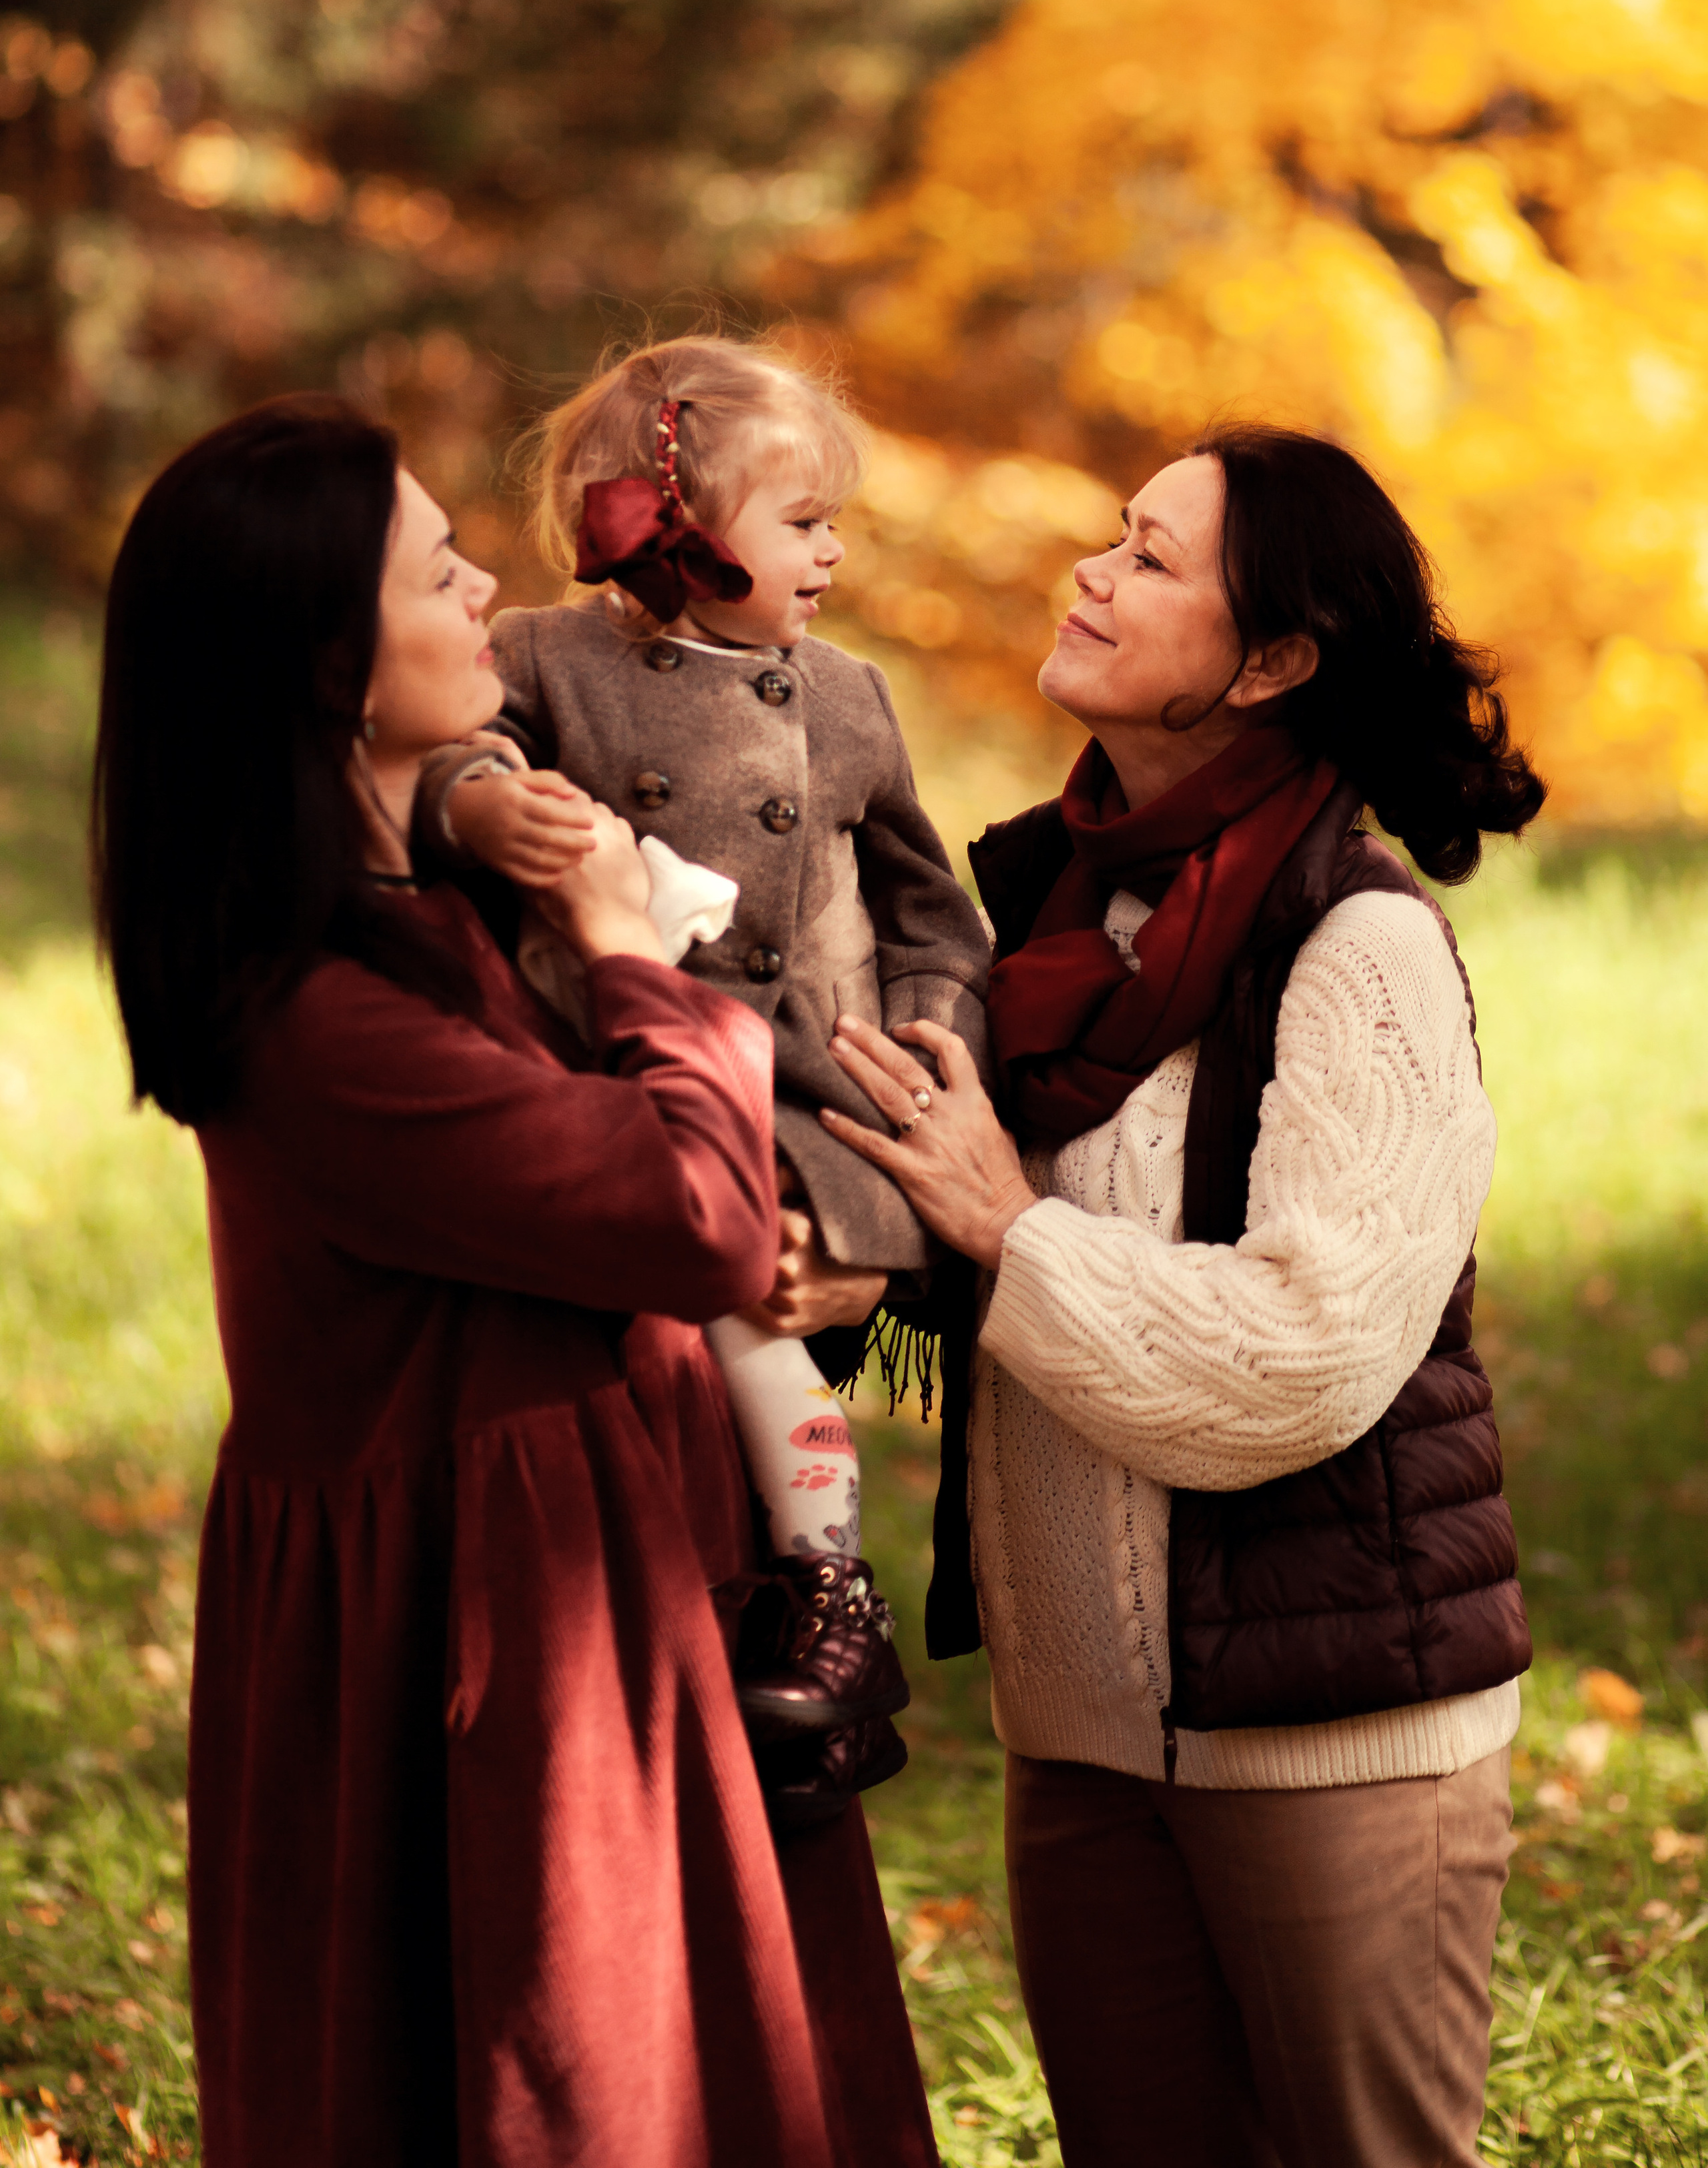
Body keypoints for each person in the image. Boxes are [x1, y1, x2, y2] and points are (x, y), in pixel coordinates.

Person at [91, 393, 937, 2168]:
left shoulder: (436, 925)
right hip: (487, 1650)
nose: (489, 585)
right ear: (332, 659)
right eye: (435, 566)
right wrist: (634, 950)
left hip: (614, 1574)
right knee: (574, 2076)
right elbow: (689, 1217)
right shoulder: (313, 1021)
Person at [820, 426, 1546, 2168]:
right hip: (1078, 1738)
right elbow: (966, 1333)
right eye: (1110, 536)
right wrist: (853, 1306)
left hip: (1339, 1740)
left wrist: (1006, 1230)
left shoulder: (1355, 948)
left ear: (1276, 658)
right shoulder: (1012, 909)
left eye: (1152, 558)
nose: (1093, 570)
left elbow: (1305, 1363)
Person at [413, 334, 991, 1816]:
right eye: (803, 523)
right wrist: (483, 814)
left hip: (810, 1095)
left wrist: (928, 1042)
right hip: (627, 1073)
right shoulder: (549, 657)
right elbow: (443, 757)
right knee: (669, 1370)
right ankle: (721, 1648)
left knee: (756, 1326)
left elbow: (932, 912)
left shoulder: (848, 695)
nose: (835, 551)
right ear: (677, 525)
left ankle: (831, 1600)